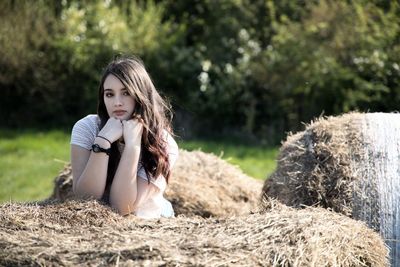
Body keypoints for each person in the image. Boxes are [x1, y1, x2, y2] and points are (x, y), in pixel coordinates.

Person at [70, 56, 178, 219]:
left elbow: (122, 208)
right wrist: (103, 141)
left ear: (141, 95)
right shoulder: (86, 128)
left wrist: (133, 146)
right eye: (109, 94)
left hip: (149, 225)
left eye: (126, 93)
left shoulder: (162, 142)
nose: (117, 102)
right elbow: (85, 198)